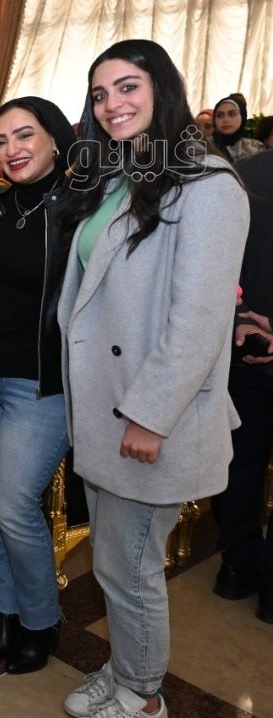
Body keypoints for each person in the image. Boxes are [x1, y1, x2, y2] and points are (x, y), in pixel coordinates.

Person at [57, 39, 248, 718]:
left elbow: (197, 321)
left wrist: (150, 414)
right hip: (104, 406)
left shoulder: (208, 185)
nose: (111, 103)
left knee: (129, 564)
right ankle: (124, 670)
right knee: (115, 561)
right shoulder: (123, 174)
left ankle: (142, 697)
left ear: (162, 89)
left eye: (127, 86)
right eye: (99, 93)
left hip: (148, 416)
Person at [0, 97, 77, 672]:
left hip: (40, 384)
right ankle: (5, 611)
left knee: (13, 504)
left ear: (55, 138)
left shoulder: (81, 210)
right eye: (1, 141)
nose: (12, 150)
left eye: (24, 135)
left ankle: (40, 619)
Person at [209, 149, 273, 626]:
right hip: (245, 342)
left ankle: (237, 565)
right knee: (240, 461)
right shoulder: (245, 173)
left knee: (239, 461)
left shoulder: (245, 173)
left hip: (243, 340)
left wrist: (237, 320)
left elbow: (211, 263)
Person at [212, 95, 264, 162]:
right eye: (220, 115)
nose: (225, 120)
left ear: (242, 116)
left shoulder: (256, 147)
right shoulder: (204, 146)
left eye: (232, 114)